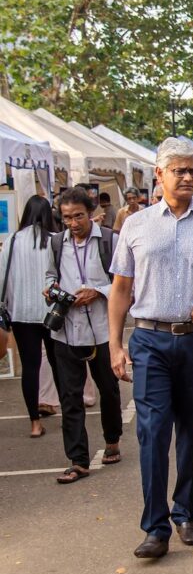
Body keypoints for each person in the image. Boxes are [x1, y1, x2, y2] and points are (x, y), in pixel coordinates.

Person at [108, 137, 193, 559]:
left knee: (191, 429)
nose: (187, 177)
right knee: (151, 434)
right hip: (148, 338)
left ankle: (186, 513)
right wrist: (116, 344)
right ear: (159, 174)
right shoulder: (136, 224)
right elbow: (121, 288)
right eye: (179, 170)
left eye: (192, 170)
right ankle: (155, 527)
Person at [45, 187, 122, 484]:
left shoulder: (109, 241)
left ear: (90, 213)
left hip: (103, 329)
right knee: (70, 396)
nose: (73, 223)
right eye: (67, 218)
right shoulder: (55, 244)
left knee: (108, 388)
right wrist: (50, 289)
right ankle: (78, 459)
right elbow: (50, 276)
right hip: (67, 330)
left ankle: (112, 438)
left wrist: (98, 291)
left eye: (78, 216)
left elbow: (123, 281)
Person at [0, 196, 59, 438]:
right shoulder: (55, 241)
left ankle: (35, 423)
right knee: (59, 365)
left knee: (30, 367)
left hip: (21, 313)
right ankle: (71, 414)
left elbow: (2, 277)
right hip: (51, 311)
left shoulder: (12, 240)